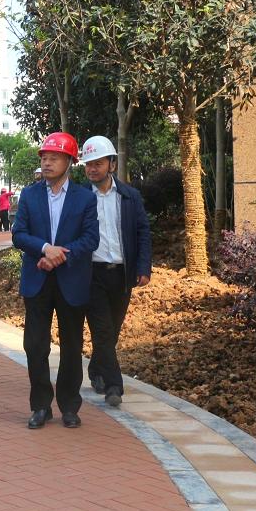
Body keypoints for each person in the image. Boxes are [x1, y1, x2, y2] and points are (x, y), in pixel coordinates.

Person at [13, 133, 98, 429]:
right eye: (44, 158)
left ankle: (69, 406)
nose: (47, 163)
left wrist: (59, 255)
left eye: (54, 158)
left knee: (72, 346)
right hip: (37, 278)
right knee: (34, 345)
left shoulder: (85, 198)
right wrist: (44, 248)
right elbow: (18, 234)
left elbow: (91, 238)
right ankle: (40, 406)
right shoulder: (30, 195)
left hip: (71, 280)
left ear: (69, 162)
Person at [80, 135, 152, 407]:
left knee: (113, 329)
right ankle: (114, 386)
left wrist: (143, 267)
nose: (92, 169)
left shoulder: (129, 196)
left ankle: (96, 370)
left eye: (98, 163)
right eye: (88, 164)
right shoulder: (80, 197)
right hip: (92, 274)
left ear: (112, 164)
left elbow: (142, 232)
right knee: (102, 330)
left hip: (122, 274)